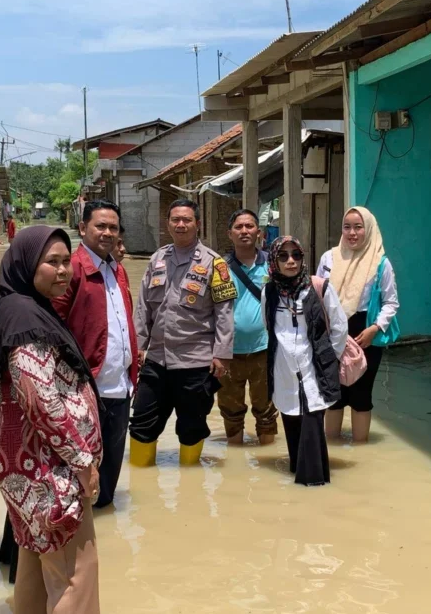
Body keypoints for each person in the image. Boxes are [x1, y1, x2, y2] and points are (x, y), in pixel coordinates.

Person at [0, 226, 102, 613]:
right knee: (76, 574)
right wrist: (83, 463)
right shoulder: (23, 317)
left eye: (67, 261)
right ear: (27, 263)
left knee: (34, 558)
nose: (63, 270)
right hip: (46, 466)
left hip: (22, 464)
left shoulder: (16, 307)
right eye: (52, 262)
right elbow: (41, 400)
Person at [130, 199, 236, 466]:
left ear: (197, 224)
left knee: (192, 427)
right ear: (168, 224)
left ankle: (190, 485)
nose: (181, 225)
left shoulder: (215, 264)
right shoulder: (157, 258)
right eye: (175, 219)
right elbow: (143, 306)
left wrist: (221, 354)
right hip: (155, 360)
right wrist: (137, 347)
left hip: (195, 362)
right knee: (142, 421)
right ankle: (143, 480)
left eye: (186, 220)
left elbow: (224, 312)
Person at [52, 201, 139, 509]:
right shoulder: (71, 269)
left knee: (110, 473)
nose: (107, 233)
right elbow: (53, 325)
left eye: (113, 228)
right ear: (82, 228)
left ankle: (105, 534)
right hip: (84, 390)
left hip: (120, 386)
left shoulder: (117, 269)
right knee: (81, 472)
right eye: (100, 226)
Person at [262, 236, 346, 486]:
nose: (290, 261)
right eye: (283, 256)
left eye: (296, 255)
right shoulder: (269, 291)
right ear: (274, 261)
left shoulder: (319, 287)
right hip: (284, 371)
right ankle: (297, 482)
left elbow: (339, 328)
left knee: (312, 422)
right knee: (291, 421)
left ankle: (314, 485)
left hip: (314, 370)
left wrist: (330, 361)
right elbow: (269, 326)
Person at [316, 206, 399, 443]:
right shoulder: (329, 258)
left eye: (358, 227)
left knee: (361, 394)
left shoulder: (381, 263)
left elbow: (391, 303)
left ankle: (361, 452)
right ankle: (330, 449)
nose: (352, 233)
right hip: (332, 332)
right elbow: (318, 296)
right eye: (347, 227)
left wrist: (374, 329)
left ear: (369, 229)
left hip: (365, 333)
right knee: (333, 394)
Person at [217, 209, 277, 446]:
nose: (244, 231)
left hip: (264, 351)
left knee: (267, 409)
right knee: (230, 411)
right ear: (229, 234)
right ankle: (235, 461)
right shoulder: (219, 267)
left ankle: (268, 459)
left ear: (259, 233)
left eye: (249, 226)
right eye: (239, 227)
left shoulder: (273, 265)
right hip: (228, 354)